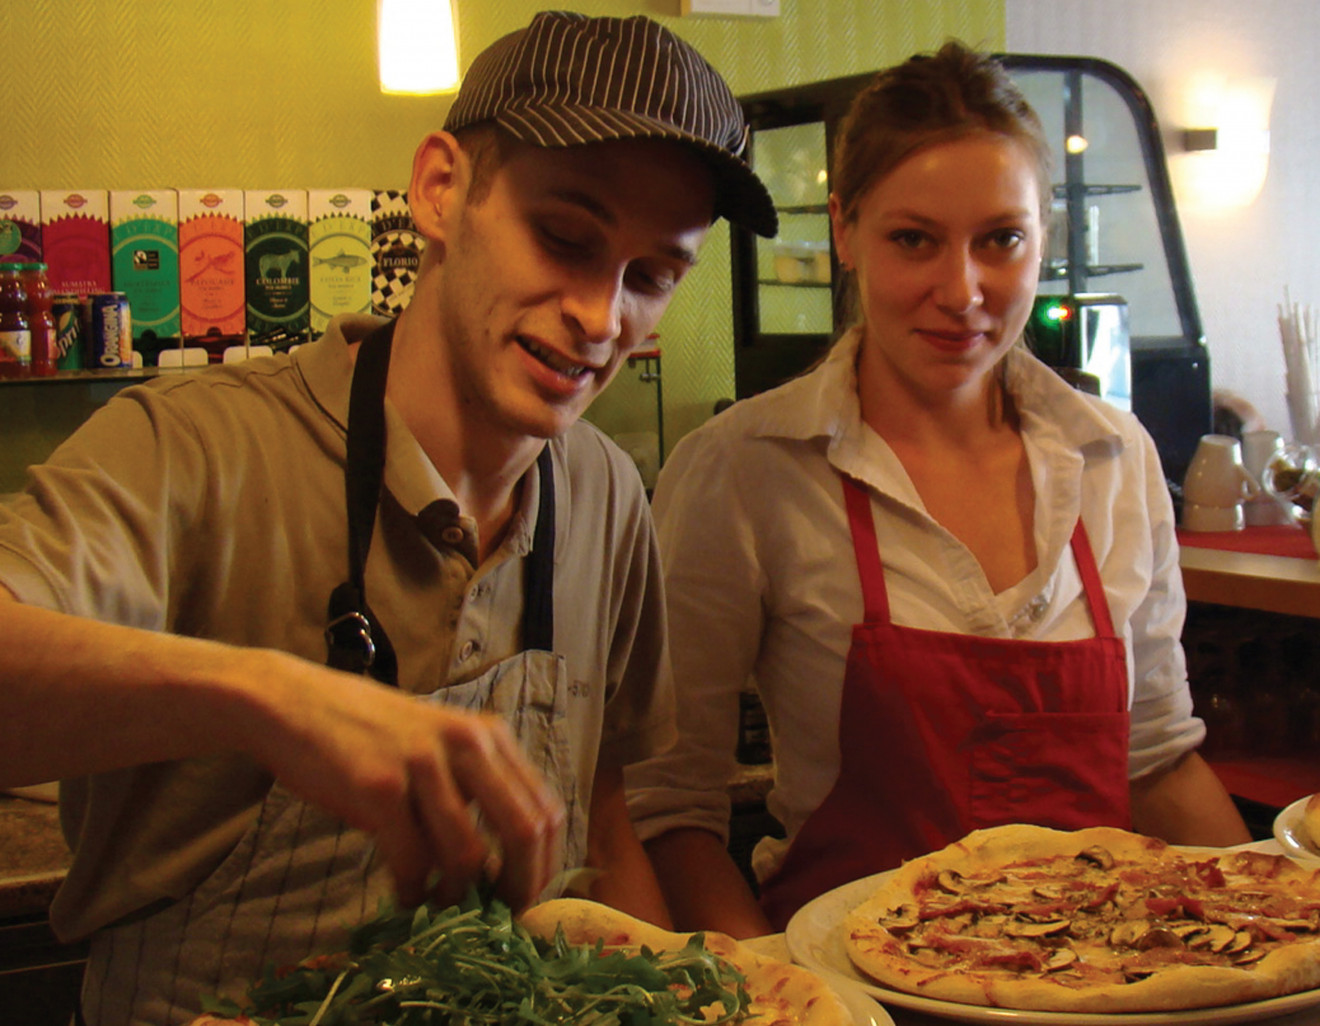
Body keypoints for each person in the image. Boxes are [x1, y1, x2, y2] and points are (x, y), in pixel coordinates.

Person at [0, 11, 777, 1024]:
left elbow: (608, 812)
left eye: (652, 276)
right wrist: (268, 700)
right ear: (441, 191)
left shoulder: (606, 495)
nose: (599, 317)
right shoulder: (192, 451)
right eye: (563, 238)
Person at [625, 40, 1250, 938]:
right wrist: (783, 995)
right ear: (843, 230)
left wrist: (1273, 931)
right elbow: (671, 810)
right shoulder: (745, 469)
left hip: (1094, 982)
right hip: (850, 987)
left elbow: (1156, 763)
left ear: (1045, 241)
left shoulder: (1116, 459)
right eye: (913, 240)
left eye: (1001, 240)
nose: (961, 291)